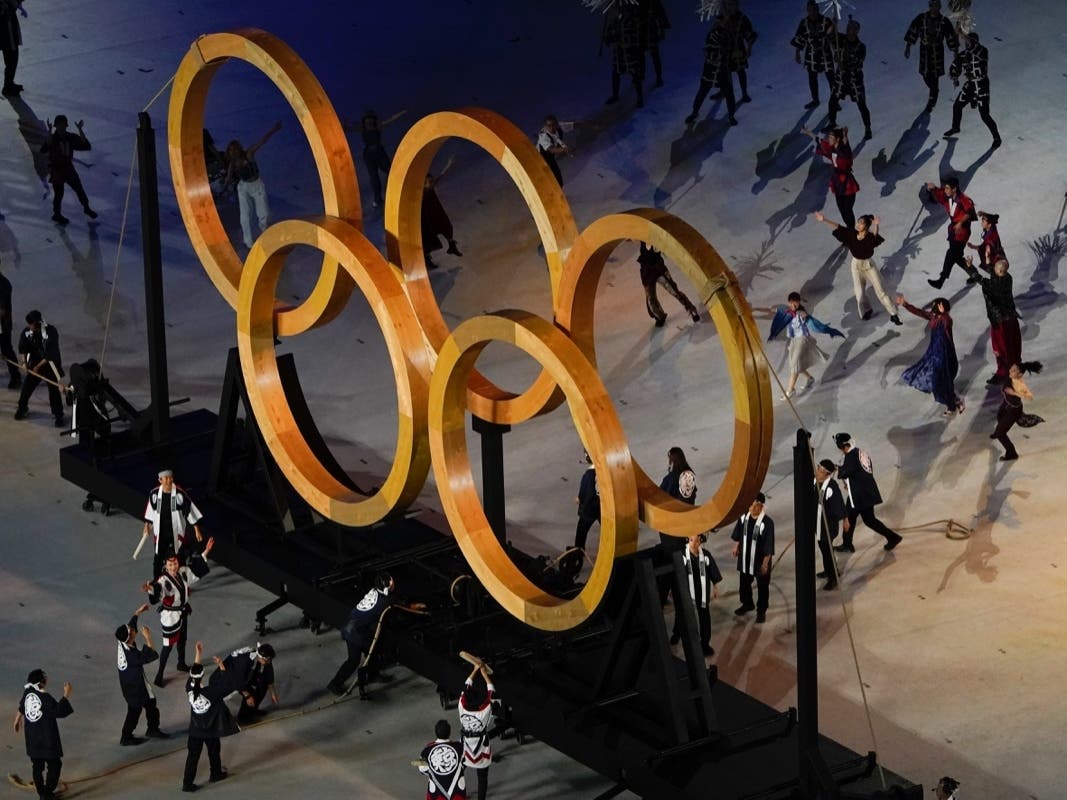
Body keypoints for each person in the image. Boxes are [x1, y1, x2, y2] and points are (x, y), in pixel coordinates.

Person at [328, 572, 421, 697]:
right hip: (355, 633)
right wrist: (417, 607)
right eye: (391, 582)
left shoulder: (375, 591)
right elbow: (404, 607)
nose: (393, 582)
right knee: (353, 661)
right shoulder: (387, 601)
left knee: (374, 650)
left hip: (353, 625)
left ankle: (372, 674)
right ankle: (334, 684)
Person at [142, 540, 214, 687]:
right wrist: (149, 588)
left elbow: (194, 571)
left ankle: (181, 663)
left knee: (182, 640)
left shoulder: (182, 572)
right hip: (170, 617)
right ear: (165, 566)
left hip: (183, 612)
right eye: (170, 565)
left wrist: (205, 552)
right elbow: (157, 590)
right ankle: (159, 674)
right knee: (167, 646)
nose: (173, 567)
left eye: (174, 564)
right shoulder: (163, 580)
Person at [813, 211, 901, 324]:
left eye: (861, 223)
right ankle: (865, 311)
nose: (858, 224)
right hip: (856, 265)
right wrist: (824, 220)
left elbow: (874, 238)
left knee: (881, 290)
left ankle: (893, 313)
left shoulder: (869, 237)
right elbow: (838, 227)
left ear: (866, 226)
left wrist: (876, 225)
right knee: (859, 292)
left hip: (869, 265)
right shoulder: (851, 234)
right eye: (858, 222)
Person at [896, 294, 965, 417]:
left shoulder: (945, 320)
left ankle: (952, 404)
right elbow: (919, 312)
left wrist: (944, 314)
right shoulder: (934, 317)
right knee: (939, 383)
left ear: (941, 307)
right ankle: (954, 401)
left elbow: (948, 322)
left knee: (942, 382)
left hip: (945, 356)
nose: (932, 307)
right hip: (934, 354)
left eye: (935, 305)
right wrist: (905, 304)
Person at [765, 291, 844, 399]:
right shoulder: (787, 312)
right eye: (792, 303)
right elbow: (772, 310)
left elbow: (806, 316)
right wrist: (754, 310)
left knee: (794, 365)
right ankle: (810, 378)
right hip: (793, 341)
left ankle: (790, 390)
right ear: (789, 302)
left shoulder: (801, 313)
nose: (794, 305)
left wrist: (803, 313)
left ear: (798, 303)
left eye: (796, 303)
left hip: (803, 339)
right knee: (795, 364)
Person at [182, 641, 237, 792]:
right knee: (213, 751)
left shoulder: (189, 688)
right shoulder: (210, 693)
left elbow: (194, 671)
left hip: (195, 730)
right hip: (210, 729)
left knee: (192, 757)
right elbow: (226, 684)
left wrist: (198, 654)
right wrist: (221, 665)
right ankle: (215, 774)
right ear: (203, 676)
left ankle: (187, 784)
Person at [833, 433, 902, 552]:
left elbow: (844, 472)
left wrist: (838, 468)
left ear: (843, 446)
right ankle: (848, 543)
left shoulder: (851, 456)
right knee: (863, 519)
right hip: (866, 492)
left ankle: (892, 537)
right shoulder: (860, 452)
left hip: (859, 495)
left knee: (854, 518)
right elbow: (861, 471)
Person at [14, 669, 73, 800]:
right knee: (55, 764)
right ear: (42, 682)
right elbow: (59, 711)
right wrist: (66, 694)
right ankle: (47, 792)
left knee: (37, 766)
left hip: (32, 738)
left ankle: (41, 793)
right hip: (47, 739)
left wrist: (17, 719)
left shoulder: (28, 692)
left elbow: (21, 706)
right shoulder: (46, 698)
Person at [116, 603, 168, 745]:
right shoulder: (132, 656)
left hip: (130, 684)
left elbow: (130, 625)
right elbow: (151, 655)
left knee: (151, 703)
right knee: (135, 711)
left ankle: (152, 728)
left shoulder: (123, 643)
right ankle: (126, 737)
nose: (133, 629)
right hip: (135, 688)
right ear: (130, 637)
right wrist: (147, 637)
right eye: (132, 631)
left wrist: (138, 612)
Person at [223, 122, 282, 249]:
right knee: (245, 215)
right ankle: (248, 242)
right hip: (243, 188)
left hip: (256, 186)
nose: (233, 152)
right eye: (231, 150)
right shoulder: (233, 164)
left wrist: (274, 129)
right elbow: (228, 178)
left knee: (264, 213)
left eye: (235, 149)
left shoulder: (248, 154)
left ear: (239, 148)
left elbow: (262, 141)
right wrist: (224, 188)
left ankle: (265, 234)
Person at [963, 256, 1019, 383]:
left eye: (995, 268)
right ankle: (1013, 367)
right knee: (1012, 346)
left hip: (1000, 322)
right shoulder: (1008, 278)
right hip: (1011, 319)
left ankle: (1004, 372)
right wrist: (989, 262)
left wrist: (970, 267)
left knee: (1000, 349)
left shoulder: (992, 285)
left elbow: (979, 279)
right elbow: (995, 273)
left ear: (999, 272)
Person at [142, 469, 205, 582]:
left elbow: (189, 510)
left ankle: (182, 582)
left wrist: (196, 529)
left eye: (170, 478)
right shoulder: (154, 494)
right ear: (160, 480)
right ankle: (157, 582)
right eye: (166, 478)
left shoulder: (180, 494)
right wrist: (146, 525)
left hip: (176, 532)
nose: (169, 480)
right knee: (158, 558)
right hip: (160, 532)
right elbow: (150, 510)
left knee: (179, 558)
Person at [942, 31, 1001, 148]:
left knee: (984, 115)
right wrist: (954, 75)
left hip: (982, 84)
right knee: (957, 105)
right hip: (970, 85)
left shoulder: (983, 51)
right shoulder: (963, 55)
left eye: (969, 42)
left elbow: (974, 47)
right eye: (966, 42)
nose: (967, 44)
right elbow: (955, 67)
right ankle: (955, 127)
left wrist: (961, 34)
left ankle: (996, 137)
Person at [685, 9, 738, 127]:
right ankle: (694, 112)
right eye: (720, 20)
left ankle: (731, 115)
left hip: (723, 69)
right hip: (710, 68)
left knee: (729, 93)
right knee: (702, 92)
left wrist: (725, 56)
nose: (721, 22)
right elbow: (709, 48)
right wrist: (713, 54)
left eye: (723, 20)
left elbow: (731, 50)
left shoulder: (729, 35)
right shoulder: (712, 34)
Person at [670, 534, 722, 654]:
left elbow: (712, 572)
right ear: (688, 539)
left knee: (704, 617)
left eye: (697, 541)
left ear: (700, 542)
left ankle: (705, 643)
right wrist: (673, 590)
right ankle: (676, 634)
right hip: (686, 591)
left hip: (702, 592)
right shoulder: (682, 556)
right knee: (681, 614)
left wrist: (715, 588)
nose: (694, 543)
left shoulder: (706, 555)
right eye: (692, 540)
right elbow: (676, 575)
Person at [40, 115, 97, 225]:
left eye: (63, 125)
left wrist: (80, 130)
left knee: (79, 189)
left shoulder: (70, 137)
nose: (62, 128)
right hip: (57, 170)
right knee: (59, 194)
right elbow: (44, 149)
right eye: (60, 126)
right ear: (57, 126)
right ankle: (57, 214)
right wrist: (49, 134)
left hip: (68, 168)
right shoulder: (53, 138)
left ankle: (86, 208)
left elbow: (86, 145)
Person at [904, 0, 959, 113]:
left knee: (935, 76)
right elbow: (913, 30)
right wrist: (908, 46)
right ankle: (934, 90)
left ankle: (932, 100)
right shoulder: (921, 18)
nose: (934, 8)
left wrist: (955, 52)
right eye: (932, 5)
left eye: (937, 5)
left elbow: (950, 36)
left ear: (939, 7)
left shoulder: (944, 22)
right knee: (925, 75)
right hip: (924, 51)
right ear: (930, 6)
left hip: (937, 52)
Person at [801, 126, 859, 230]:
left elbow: (846, 147)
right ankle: (850, 229)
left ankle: (851, 231)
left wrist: (845, 136)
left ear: (837, 139)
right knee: (842, 210)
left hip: (847, 185)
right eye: (829, 136)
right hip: (837, 183)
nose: (829, 138)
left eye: (832, 137)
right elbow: (819, 140)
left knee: (847, 210)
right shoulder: (830, 148)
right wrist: (808, 132)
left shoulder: (844, 152)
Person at [924, 175, 976, 289]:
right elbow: (938, 192)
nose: (945, 190)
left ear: (954, 189)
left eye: (948, 188)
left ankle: (941, 280)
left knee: (951, 254)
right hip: (953, 231)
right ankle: (974, 274)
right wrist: (932, 188)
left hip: (962, 232)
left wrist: (961, 222)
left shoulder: (964, 199)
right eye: (945, 188)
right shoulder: (946, 195)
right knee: (956, 257)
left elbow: (970, 212)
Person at [14, 310, 64, 427]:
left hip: (49, 363)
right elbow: (23, 348)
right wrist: (24, 363)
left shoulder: (51, 331)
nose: (29, 327)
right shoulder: (27, 332)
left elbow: (50, 354)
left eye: (31, 324)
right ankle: (22, 408)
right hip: (35, 362)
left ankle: (58, 414)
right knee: (27, 387)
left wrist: (37, 366)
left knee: (53, 390)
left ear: (37, 323)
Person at [730, 493, 774, 624]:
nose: (749, 506)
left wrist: (765, 564)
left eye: (752, 503)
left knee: (762, 587)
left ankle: (761, 611)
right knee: (744, 584)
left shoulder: (767, 523)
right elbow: (739, 533)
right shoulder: (744, 517)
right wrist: (736, 545)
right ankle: (747, 603)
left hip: (760, 560)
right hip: (745, 558)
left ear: (760, 505)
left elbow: (769, 545)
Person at [348, 109, 405, 207]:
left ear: (373, 120)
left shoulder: (377, 127)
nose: (369, 122)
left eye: (370, 120)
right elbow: (350, 128)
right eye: (367, 120)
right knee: (374, 178)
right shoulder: (363, 128)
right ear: (364, 121)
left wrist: (400, 113)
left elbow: (390, 120)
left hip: (379, 153)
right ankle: (377, 199)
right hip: (369, 156)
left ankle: (398, 190)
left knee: (390, 171)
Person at [828, 18, 872, 140]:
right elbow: (829, 36)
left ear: (856, 31)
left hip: (854, 80)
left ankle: (868, 128)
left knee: (862, 105)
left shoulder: (861, 47)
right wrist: (833, 24)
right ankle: (832, 123)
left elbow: (858, 62)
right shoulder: (840, 39)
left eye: (851, 28)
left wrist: (844, 64)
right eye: (847, 27)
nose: (848, 30)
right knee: (832, 101)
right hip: (841, 79)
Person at [990, 361, 1043, 461]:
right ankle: (997, 431)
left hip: (1014, 409)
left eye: (1014, 370)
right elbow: (1006, 364)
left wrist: (1014, 393)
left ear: (1020, 375)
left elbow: (1029, 397)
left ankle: (1012, 453)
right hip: (1006, 404)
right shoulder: (1009, 375)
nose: (1011, 371)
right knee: (999, 416)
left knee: (1001, 434)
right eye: (1011, 368)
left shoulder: (1019, 384)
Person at [638, 243, 701, 326]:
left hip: (659, 270)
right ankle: (660, 316)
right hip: (647, 273)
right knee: (651, 299)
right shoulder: (642, 238)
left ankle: (691, 309)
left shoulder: (656, 241)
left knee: (674, 291)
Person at [458, 662, 494, 800]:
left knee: (459, 772)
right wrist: (484, 674)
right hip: (481, 749)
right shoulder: (484, 711)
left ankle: (459, 795)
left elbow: (466, 686)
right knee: (482, 778)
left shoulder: (461, 706)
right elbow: (491, 691)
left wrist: (475, 670)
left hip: (465, 747)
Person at [791, 0, 836, 110]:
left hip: (825, 53)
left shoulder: (826, 21)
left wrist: (834, 26)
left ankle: (835, 101)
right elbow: (800, 38)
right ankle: (815, 100)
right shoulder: (804, 23)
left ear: (817, 9)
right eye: (810, 10)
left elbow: (833, 38)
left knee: (831, 78)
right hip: (811, 54)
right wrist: (797, 52)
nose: (812, 12)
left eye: (814, 10)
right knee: (812, 79)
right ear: (807, 10)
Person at [602, 2, 646, 108]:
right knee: (616, 73)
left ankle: (640, 97)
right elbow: (611, 33)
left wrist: (620, 39)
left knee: (635, 73)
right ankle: (615, 95)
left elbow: (633, 34)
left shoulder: (631, 18)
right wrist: (608, 38)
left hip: (630, 51)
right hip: (619, 52)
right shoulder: (615, 20)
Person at [219, 643, 278, 722]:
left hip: (245, 675)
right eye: (268, 660)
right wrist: (247, 696)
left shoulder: (265, 660)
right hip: (229, 677)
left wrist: (273, 693)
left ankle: (252, 710)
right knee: (250, 694)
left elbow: (269, 675)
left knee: (263, 684)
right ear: (262, 658)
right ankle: (243, 718)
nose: (269, 662)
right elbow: (237, 681)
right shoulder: (246, 661)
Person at [814, 459, 847, 591]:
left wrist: (845, 519)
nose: (817, 472)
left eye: (820, 471)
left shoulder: (831, 487)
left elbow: (838, 503)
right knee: (824, 549)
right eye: (818, 468)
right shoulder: (815, 481)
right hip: (818, 523)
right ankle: (830, 569)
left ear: (827, 474)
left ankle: (833, 577)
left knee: (827, 550)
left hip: (828, 525)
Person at [422, 164, 462, 271]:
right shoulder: (422, 194)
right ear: (424, 184)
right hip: (428, 219)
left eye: (431, 181)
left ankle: (452, 247)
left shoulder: (429, 189)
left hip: (437, 213)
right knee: (429, 240)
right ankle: (427, 260)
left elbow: (439, 178)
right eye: (429, 182)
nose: (432, 184)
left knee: (447, 227)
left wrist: (448, 166)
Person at [719, 0, 757, 105]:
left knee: (741, 71)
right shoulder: (722, 18)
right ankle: (723, 91)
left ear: (736, 5)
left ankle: (744, 93)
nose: (730, 6)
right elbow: (716, 33)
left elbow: (749, 34)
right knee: (724, 73)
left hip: (737, 48)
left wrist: (749, 47)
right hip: (726, 49)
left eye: (732, 4)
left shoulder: (742, 18)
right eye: (728, 4)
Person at [418, 719, 467, 800]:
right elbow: (465, 763)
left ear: (435, 732)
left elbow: (421, 768)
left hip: (436, 794)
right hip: (457, 793)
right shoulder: (459, 746)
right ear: (449, 732)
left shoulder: (426, 749)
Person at [573, 451, 600, 551]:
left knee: (582, 529)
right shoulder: (604, 472)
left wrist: (579, 499)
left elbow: (584, 492)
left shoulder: (588, 475)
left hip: (590, 508)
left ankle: (579, 549)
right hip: (604, 507)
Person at [536, 115, 573, 187]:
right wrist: (564, 149)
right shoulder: (543, 136)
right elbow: (551, 149)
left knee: (558, 181)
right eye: (549, 126)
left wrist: (589, 125)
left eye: (553, 125)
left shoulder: (559, 127)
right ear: (545, 126)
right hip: (542, 158)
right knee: (551, 180)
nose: (552, 128)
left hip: (550, 157)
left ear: (556, 124)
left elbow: (573, 125)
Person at [0, 263, 20, 389]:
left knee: (7, 351)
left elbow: (1, 311)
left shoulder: (3, 285)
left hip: (2, 326)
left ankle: (16, 377)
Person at [0, 0, 24, 96]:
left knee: (11, 58)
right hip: (6, 28)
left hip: (7, 25)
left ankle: (9, 84)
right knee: (12, 58)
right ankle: (8, 86)